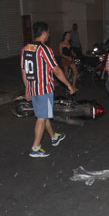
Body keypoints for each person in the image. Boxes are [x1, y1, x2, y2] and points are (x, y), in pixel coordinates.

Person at [21, 22, 75, 158]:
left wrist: (27, 87)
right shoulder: (44, 49)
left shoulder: (26, 48)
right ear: (44, 32)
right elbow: (56, 69)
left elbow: (24, 69)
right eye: (48, 32)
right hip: (44, 88)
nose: (49, 35)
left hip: (33, 87)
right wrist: (68, 85)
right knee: (42, 117)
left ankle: (53, 137)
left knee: (43, 113)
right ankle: (35, 147)